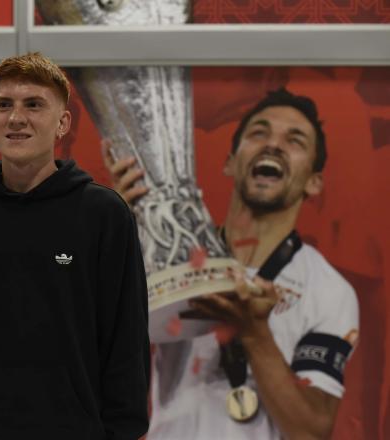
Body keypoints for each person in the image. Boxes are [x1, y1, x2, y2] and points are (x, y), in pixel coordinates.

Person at [0, 52, 150, 440]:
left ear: (62, 122)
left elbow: (126, 344)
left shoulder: (104, 216)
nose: (16, 118)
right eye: (4, 105)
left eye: (34, 104)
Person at [104, 88, 359, 439]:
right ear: (230, 161)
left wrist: (255, 333)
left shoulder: (328, 290)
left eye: (295, 140)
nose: (273, 145)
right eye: (259, 132)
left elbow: (311, 431)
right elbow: (88, 352)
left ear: (314, 182)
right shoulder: (168, 256)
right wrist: (119, 228)